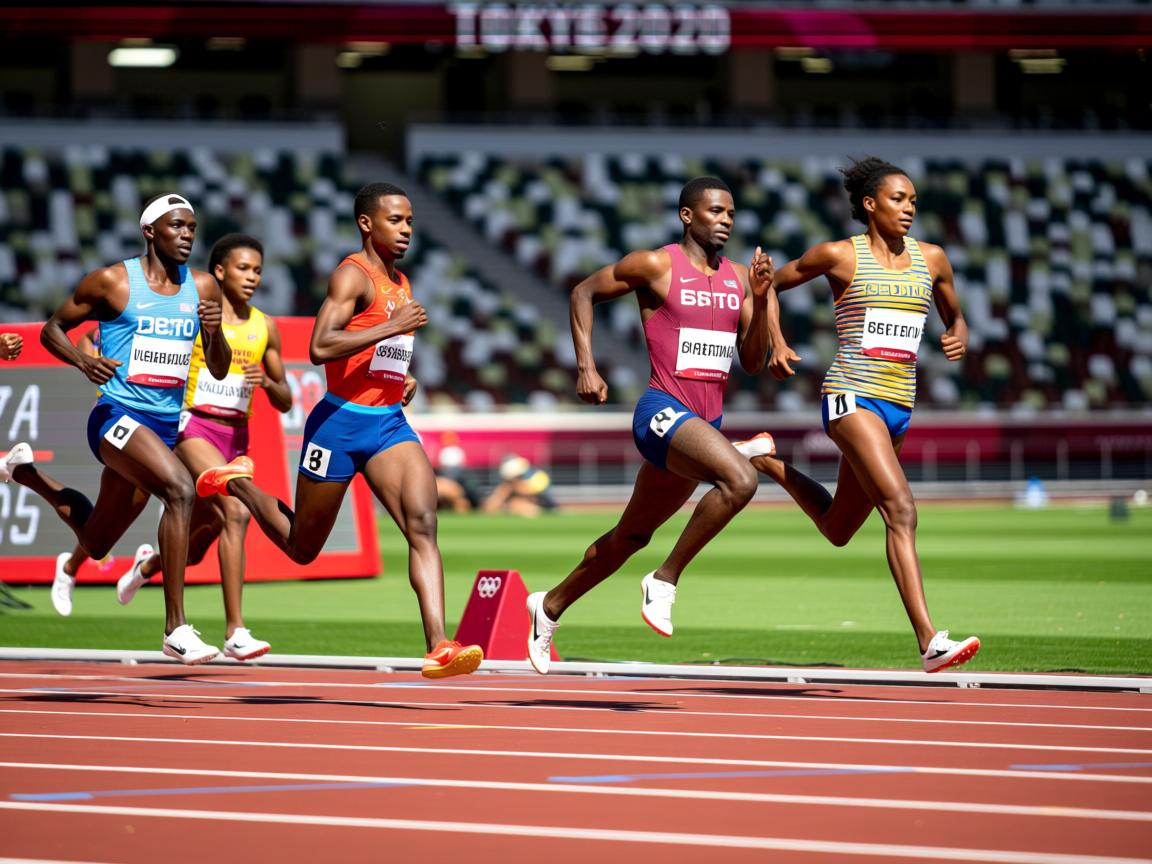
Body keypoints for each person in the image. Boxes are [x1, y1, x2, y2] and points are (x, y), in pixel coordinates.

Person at [196, 182, 483, 679]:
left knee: (423, 524)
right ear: (367, 223)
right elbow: (321, 346)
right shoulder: (352, 276)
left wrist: (400, 373)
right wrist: (392, 329)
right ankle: (236, 482)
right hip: (338, 425)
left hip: (388, 424)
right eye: (396, 220)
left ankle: (438, 643)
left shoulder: (402, 282)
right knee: (302, 548)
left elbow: (378, 354)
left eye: (411, 221)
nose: (407, 229)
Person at [737, 156, 980, 673]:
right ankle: (929, 641)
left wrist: (958, 331)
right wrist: (776, 338)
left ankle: (765, 461)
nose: (909, 208)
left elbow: (955, 311)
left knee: (839, 527)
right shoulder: (838, 256)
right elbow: (767, 288)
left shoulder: (932, 258)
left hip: (899, 406)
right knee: (901, 509)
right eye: (898, 199)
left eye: (913, 200)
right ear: (870, 205)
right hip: (851, 395)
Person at [524, 176, 775, 674]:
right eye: (715, 211)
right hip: (662, 411)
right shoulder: (657, 264)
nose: (726, 220)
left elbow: (751, 361)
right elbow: (581, 292)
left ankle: (547, 607)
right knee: (740, 480)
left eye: (730, 213)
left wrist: (763, 300)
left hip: (703, 424)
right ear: (688, 216)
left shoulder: (741, 279)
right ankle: (664, 580)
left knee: (631, 536)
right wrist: (585, 366)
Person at [0, 192, 231, 664]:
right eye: (177, 226)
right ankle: (175, 628)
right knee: (181, 491)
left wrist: (213, 332)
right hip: (115, 418)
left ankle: (23, 473)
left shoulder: (204, 287)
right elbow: (52, 330)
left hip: (162, 427)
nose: (188, 235)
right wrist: (85, 362)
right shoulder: (113, 282)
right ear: (150, 232)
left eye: (192, 227)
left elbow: (221, 369)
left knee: (97, 539)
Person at [52, 235, 292, 662]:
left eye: (257, 270)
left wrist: (267, 380)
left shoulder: (258, 324)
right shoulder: (177, 300)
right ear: (219, 271)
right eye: (243, 268)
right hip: (190, 425)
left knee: (194, 542)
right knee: (227, 509)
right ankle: (227, 629)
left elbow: (285, 398)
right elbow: (97, 330)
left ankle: (146, 564)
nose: (252, 277)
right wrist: (90, 361)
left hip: (234, 433)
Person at [482, 454, 556, 517]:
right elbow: (490, 507)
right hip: (517, 507)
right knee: (515, 504)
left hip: (543, 507)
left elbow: (533, 492)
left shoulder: (538, 477)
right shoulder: (507, 487)